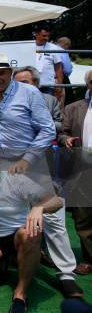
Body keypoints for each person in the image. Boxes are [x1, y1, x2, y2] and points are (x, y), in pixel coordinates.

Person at [0, 54, 83, 298]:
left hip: (32, 162)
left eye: (1, 73)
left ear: (9, 72)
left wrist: (27, 159)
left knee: (52, 218)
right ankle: (5, 257)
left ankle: (66, 273)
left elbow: (47, 130)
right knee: (3, 213)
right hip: (1, 164)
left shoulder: (28, 93)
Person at [0, 146, 64, 313]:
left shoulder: (15, 178)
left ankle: (20, 294)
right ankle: (3, 260)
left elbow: (57, 201)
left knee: (31, 233)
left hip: (20, 233)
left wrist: (39, 208)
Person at [58, 70, 92, 275]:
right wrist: (66, 140)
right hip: (84, 169)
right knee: (83, 217)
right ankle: (89, 260)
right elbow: (62, 131)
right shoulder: (74, 108)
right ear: (88, 84)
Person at [34, 23, 64, 97]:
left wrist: (59, 84)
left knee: (48, 106)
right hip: (31, 84)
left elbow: (58, 67)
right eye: (44, 36)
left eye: (48, 36)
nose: (46, 38)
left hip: (48, 85)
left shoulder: (53, 47)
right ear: (37, 35)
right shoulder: (28, 46)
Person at [56, 36, 75, 106]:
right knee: (68, 100)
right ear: (66, 44)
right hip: (61, 77)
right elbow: (67, 69)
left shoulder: (52, 49)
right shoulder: (62, 51)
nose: (68, 48)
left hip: (49, 77)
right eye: (68, 46)